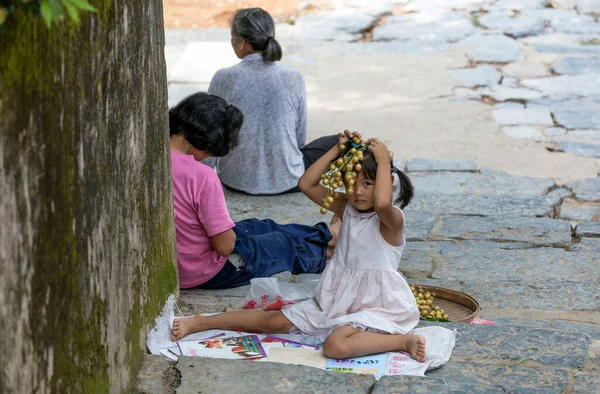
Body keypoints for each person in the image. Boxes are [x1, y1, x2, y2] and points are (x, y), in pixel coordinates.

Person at [171, 130, 427, 363]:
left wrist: (383, 162)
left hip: (375, 305)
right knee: (272, 321)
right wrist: (337, 150)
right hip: (337, 299)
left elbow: (382, 204)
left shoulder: (391, 220)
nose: (358, 191)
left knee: (335, 345)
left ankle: (402, 341)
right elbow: (306, 184)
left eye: (368, 183)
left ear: (386, 183)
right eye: (353, 181)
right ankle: (201, 322)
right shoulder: (347, 208)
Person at [169, 92, 340, 289]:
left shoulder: (154, 156)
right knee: (281, 243)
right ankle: (329, 250)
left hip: (184, 260)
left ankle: (328, 235)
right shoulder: (201, 176)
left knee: (259, 226)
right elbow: (225, 247)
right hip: (205, 270)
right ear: (208, 144)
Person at [207, 7, 338, 195]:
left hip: (235, 179)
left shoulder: (223, 77)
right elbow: (299, 138)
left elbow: (212, 134)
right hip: (288, 179)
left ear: (241, 42)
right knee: (342, 141)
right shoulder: (294, 77)